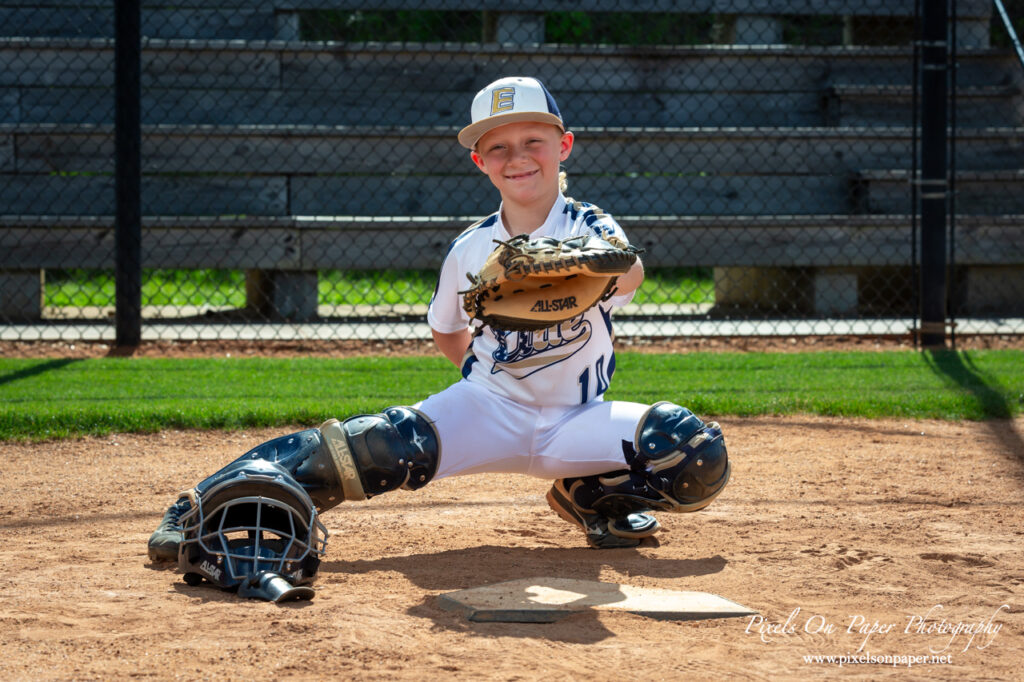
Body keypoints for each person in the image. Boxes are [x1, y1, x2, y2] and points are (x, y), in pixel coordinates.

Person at [149, 77, 730, 567]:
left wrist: (577, 262)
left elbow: (630, 274)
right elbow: (447, 330)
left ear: (565, 146)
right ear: (480, 162)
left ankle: (590, 494)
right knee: (377, 449)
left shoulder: (592, 226)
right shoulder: (471, 249)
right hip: (489, 406)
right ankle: (200, 504)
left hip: (574, 420)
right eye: (497, 147)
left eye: (533, 140)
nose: (517, 156)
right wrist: (482, 380)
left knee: (692, 449)